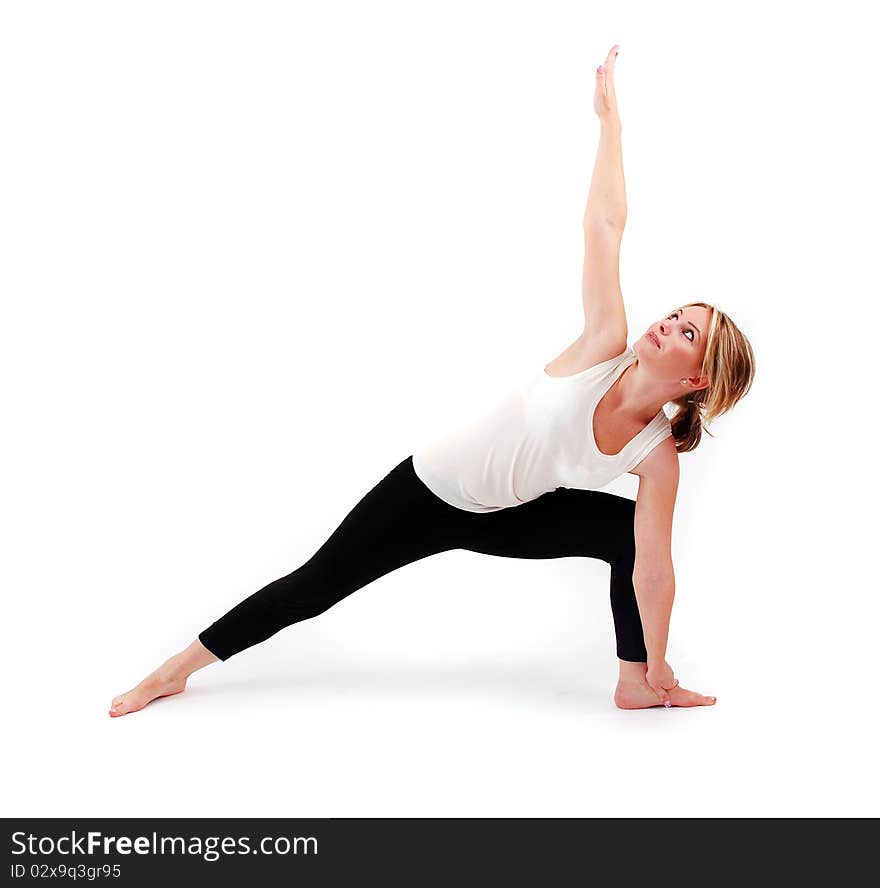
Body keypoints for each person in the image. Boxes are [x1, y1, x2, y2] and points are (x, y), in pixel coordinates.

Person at [110, 44, 755, 717]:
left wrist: (658, 660)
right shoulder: (605, 349)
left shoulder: (656, 456)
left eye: (688, 333)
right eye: (678, 313)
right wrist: (609, 124)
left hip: (508, 517)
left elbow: (653, 571)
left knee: (627, 533)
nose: (669, 323)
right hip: (430, 489)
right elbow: (606, 226)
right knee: (315, 586)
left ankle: (633, 683)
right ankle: (174, 670)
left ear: (699, 377)